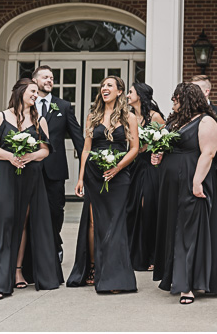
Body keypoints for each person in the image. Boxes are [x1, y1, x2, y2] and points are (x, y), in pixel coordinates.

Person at [0, 78, 62, 298]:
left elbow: (45, 150)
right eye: (32, 91)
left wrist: (30, 156)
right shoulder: (2, 117)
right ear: (21, 91)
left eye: (37, 92)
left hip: (31, 176)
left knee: (24, 222)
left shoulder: (39, 120)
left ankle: (17, 272)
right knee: (3, 221)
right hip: (7, 174)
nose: (35, 95)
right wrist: (11, 157)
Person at [152, 82, 217, 303]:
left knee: (189, 229)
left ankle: (188, 285)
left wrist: (197, 182)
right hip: (171, 183)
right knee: (174, 227)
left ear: (187, 98)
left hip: (192, 178)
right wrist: (157, 155)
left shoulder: (207, 121)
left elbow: (208, 153)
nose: (173, 101)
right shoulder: (176, 121)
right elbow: (165, 145)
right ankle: (174, 277)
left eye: (176, 98)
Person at [66, 75, 139, 293]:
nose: (104, 88)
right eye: (102, 85)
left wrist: (118, 168)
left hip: (119, 175)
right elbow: (86, 149)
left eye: (109, 85)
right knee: (93, 222)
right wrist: (80, 178)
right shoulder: (92, 116)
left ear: (119, 91)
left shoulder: (129, 117)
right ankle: (93, 268)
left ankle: (114, 275)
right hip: (93, 175)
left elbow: (134, 148)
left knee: (115, 223)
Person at [33, 65, 84, 264]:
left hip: (55, 168)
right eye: (45, 77)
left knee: (56, 210)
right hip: (30, 166)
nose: (49, 80)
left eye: (52, 78)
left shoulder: (63, 106)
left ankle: (55, 244)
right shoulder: (26, 104)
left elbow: (77, 137)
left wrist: (86, 165)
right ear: (35, 80)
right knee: (32, 208)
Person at [126, 81, 166, 272]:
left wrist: (153, 150)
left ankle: (153, 255)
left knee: (148, 206)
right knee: (133, 208)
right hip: (133, 166)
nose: (127, 95)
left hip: (150, 167)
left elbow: (165, 141)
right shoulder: (129, 117)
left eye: (131, 92)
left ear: (140, 96)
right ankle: (136, 254)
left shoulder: (155, 117)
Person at [191, 74, 217, 175]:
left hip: (212, 168)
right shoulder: (186, 113)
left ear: (207, 92)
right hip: (188, 165)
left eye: (195, 90)